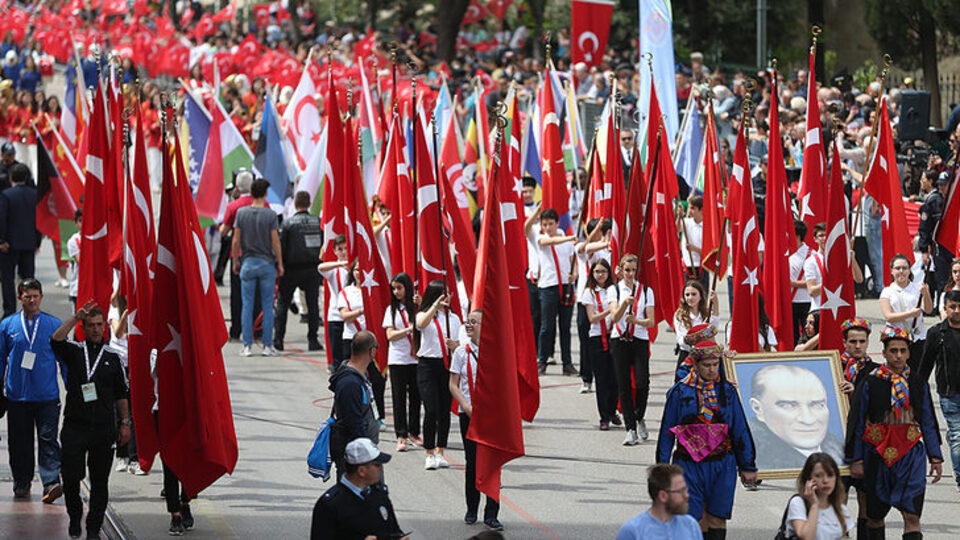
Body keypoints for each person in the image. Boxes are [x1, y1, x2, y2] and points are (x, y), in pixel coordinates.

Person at [846, 327, 943, 540]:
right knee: (875, 517)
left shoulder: (918, 383)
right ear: (884, 353)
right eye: (893, 351)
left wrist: (935, 457)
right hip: (877, 455)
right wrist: (856, 458)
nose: (898, 356)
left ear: (909, 353)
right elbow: (858, 421)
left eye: (902, 351)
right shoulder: (871, 381)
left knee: (912, 516)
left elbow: (928, 419)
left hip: (910, 455)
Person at [656, 341, 758, 539]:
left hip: (722, 464)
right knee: (694, 517)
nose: (712, 370)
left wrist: (748, 465)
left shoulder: (727, 392)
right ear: (695, 364)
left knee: (718, 517)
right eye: (706, 365)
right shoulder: (679, 392)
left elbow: (739, 429)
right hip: (688, 464)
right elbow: (667, 433)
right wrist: (662, 470)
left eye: (715, 364)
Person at [51, 302, 131, 540]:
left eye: (99, 325)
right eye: (91, 326)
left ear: (104, 327)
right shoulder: (74, 351)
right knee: (72, 477)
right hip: (75, 426)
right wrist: (75, 318)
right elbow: (55, 340)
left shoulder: (113, 358)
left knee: (99, 482)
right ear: (84, 328)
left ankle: (94, 528)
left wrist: (125, 423)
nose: (96, 330)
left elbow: (121, 394)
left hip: (103, 429)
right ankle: (75, 516)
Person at [0, 279, 63, 501]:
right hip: (17, 396)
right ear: (20, 299)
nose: (32, 300)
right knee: (19, 442)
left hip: (47, 396)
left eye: (36, 295)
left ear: (42, 297)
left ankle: (51, 482)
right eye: (28, 296)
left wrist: (73, 389)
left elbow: (64, 361)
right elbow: (0, 360)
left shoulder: (53, 324)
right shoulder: (7, 326)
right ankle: (22, 481)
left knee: (48, 439)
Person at [449, 309, 503, 531]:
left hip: (492, 416)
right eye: (467, 322)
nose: (469, 326)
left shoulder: (496, 352)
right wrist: (465, 406)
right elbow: (453, 384)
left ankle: (492, 513)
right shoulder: (461, 352)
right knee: (472, 462)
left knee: (492, 463)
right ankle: (472, 509)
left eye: (474, 322)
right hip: (469, 414)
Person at [748, 364, 845, 470]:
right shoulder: (755, 456)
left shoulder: (840, 448)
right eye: (789, 406)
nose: (808, 419)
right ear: (758, 408)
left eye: (817, 404)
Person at [310, 438, 408, 540]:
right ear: (362, 471)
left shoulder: (379, 494)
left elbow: (393, 530)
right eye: (377, 464)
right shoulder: (330, 504)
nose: (381, 468)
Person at [232, 178, 283, 357]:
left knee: (247, 304)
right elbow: (275, 242)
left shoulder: (241, 213)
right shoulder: (270, 215)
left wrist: (235, 262)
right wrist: (280, 263)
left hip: (247, 262)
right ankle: (267, 345)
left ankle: (247, 345)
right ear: (266, 194)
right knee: (267, 305)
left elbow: (236, 240)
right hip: (266, 264)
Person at [609, 254, 656, 444]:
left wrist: (636, 320)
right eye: (627, 270)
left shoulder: (645, 291)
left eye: (633, 270)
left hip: (639, 339)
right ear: (620, 270)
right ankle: (630, 428)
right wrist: (624, 305)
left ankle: (639, 415)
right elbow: (614, 317)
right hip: (619, 339)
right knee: (624, 386)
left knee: (642, 382)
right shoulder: (614, 290)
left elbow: (651, 321)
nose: (630, 274)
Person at [917, 289, 960, 491]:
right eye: (952, 307)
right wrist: (917, 391)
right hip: (949, 394)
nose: (957, 311)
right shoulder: (936, 333)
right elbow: (925, 367)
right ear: (945, 309)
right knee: (957, 434)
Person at [416, 279, 460, 470]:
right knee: (431, 409)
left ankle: (441, 450)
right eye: (443, 293)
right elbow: (420, 325)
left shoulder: (455, 318)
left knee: (444, 411)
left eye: (448, 293)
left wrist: (455, 346)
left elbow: (462, 344)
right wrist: (434, 305)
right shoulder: (424, 314)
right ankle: (429, 451)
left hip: (447, 366)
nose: (447, 297)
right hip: (428, 365)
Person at [328, 331, 381, 480]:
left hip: (363, 451)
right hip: (356, 456)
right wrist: (366, 454)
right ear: (372, 351)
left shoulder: (361, 376)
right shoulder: (350, 383)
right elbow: (352, 421)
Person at [274, 190, 322, 351]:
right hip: (312, 268)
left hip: (291, 269)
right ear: (309, 204)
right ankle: (313, 340)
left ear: (294, 205)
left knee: (282, 303)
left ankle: (278, 339)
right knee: (313, 305)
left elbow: (282, 247)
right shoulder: (318, 222)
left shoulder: (287, 224)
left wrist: (279, 265)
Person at [532, 208, 578, 376]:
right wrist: (569, 238)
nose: (548, 227)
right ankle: (542, 361)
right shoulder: (541, 238)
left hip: (566, 286)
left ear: (557, 223)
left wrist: (575, 275)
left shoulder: (566, 240)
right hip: (548, 287)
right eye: (545, 224)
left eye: (551, 224)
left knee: (565, 328)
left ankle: (567, 363)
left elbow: (574, 261)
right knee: (546, 327)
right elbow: (547, 243)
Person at [383, 272, 422, 452]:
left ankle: (414, 432)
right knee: (399, 398)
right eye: (394, 288)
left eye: (399, 288)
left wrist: (420, 305)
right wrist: (408, 329)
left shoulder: (415, 308)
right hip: (398, 358)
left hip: (415, 358)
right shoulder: (391, 310)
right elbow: (390, 335)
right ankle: (401, 434)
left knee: (416, 397)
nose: (396, 292)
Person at [579, 258, 619, 430]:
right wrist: (609, 311)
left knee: (615, 378)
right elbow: (592, 318)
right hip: (597, 338)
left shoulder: (613, 290)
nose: (600, 275)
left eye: (603, 271)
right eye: (597, 271)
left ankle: (612, 411)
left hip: (614, 336)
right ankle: (604, 417)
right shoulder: (589, 292)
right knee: (601, 379)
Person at [616, 463, 702, 539]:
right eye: (680, 491)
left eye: (686, 489)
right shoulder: (633, 531)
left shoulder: (691, 525)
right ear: (663, 496)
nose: (686, 496)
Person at [574, 218, 611, 393]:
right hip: (586, 301)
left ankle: (606, 378)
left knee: (607, 342)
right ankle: (587, 379)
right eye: (597, 230)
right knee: (586, 342)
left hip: (607, 302)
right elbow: (584, 248)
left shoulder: (610, 250)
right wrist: (600, 240)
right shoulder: (585, 248)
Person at [219, 169, 255, 340]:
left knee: (237, 296)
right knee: (257, 295)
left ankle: (236, 330)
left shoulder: (233, 206)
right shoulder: (261, 204)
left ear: (237, 188)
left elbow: (224, 232)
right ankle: (257, 329)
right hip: (257, 253)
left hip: (239, 255)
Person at [785, 453, 855, 540]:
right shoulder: (798, 503)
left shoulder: (841, 508)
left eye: (830, 475)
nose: (825, 481)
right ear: (809, 479)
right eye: (818, 476)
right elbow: (807, 537)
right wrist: (814, 505)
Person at [880, 254, 932, 369]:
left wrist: (926, 293)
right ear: (892, 271)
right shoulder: (887, 291)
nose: (901, 271)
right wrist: (911, 314)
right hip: (897, 339)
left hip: (917, 338)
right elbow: (889, 316)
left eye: (904, 268)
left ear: (909, 270)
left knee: (917, 373)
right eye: (897, 268)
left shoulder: (918, 288)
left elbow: (928, 309)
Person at [0, 162, 38, 317]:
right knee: (28, 279)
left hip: (9, 246)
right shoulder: (35, 195)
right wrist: (37, 241)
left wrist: (1, 240)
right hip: (29, 244)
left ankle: (9, 311)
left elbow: (2, 219)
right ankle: (31, 309)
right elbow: (39, 220)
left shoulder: (6, 195)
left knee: (8, 279)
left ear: (11, 178)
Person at [673, 281, 718, 376]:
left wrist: (716, 304)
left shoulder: (706, 313)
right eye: (687, 295)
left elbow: (714, 329)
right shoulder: (680, 315)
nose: (690, 298)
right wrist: (701, 332)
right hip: (687, 356)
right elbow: (682, 341)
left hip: (704, 358)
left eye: (694, 294)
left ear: (700, 296)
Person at [319, 234, 349, 371]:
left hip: (352, 317)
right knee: (337, 358)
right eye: (340, 249)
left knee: (349, 356)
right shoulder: (334, 270)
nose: (343, 252)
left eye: (345, 248)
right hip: (336, 317)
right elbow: (321, 267)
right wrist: (341, 263)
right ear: (335, 251)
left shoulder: (355, 268)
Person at [680, 196, 709, 292]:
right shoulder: (686, 222)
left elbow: (708, 251)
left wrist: (694, 248)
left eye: (693, 208)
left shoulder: (707, 226)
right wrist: (679, 216)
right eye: (689, 208)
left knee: (702, 296)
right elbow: (675, 229)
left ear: (700, 209)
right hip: (688, 266)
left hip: (701, 266)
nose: (690, 210)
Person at [790, 220, 812, 344]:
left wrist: (793, 284)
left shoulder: (811, 255)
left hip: (806, 301)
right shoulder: (785, 253)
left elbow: (815, 281)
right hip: (790, 302)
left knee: (807, 335)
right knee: (792, 337)